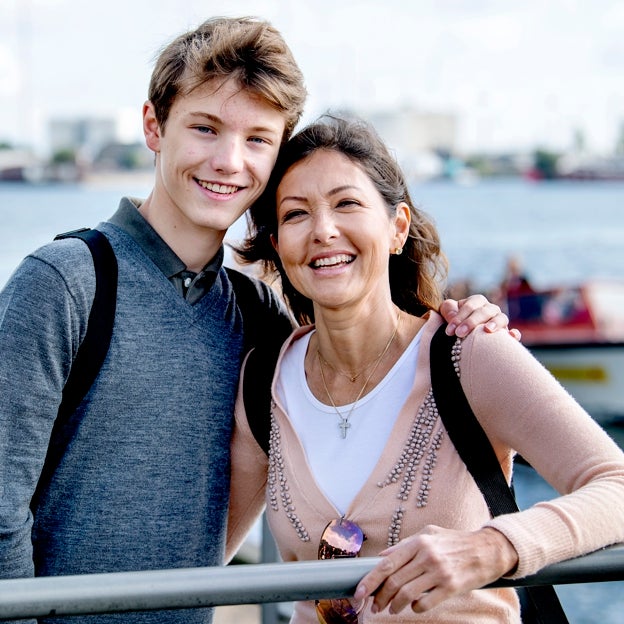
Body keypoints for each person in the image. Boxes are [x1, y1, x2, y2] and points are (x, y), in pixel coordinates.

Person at [0, 17, 509, 624]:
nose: (229, 161)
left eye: (258, 139)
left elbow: (355, 366)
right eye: (205, 128)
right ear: (153, 126)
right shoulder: (66, 282)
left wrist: (462, 320)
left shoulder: (256, 313)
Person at [226, 115, 624, 623]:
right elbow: (207, 553)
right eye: (296, 214)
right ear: (279, 246)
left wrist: (494, 548)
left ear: (397, 228)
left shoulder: (467, 353)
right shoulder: (266, 382)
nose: (323, 230)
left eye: (347, 203)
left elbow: (617, 485)